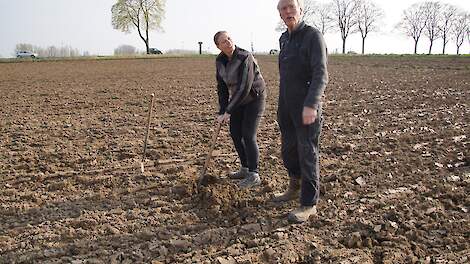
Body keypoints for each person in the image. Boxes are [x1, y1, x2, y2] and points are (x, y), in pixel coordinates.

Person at [273, 0, 328, 223]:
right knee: (288, 151)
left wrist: (311, 104)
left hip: (307, 107)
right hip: (286, 106)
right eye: (283, 9)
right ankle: (294, 186)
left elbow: (321, 74)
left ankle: (308, 203)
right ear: (280, 14)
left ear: (300, 10)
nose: (287, 12)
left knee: (307, 154)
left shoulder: (312, 36)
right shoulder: (284, 39)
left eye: (291, 7)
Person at [213, 31, 267, 189]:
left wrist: (229, 110)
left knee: (248, 134)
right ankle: (244, 168)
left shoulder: (244, 57)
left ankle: (254, 174)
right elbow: (222, 87)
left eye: (229, 38)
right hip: (238, 100)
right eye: (223, 41)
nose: (228, 42)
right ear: (218, 46)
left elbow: (244, 87)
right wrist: (222, 111)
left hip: (254, 97)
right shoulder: (220, 61)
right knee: (235, 133)